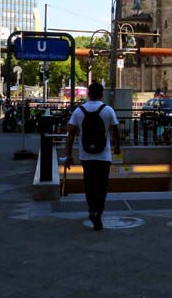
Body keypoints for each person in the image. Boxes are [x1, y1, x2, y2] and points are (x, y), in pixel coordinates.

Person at [65, 82, 120, 231]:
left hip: (86, 155)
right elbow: (115, 131)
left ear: (88, 94)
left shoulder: (78, 111)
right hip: (104, 156)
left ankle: (92, 210)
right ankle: (99, 213)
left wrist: (69, 155)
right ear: (102, 94)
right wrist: (117, 147)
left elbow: (70, 134)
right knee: (102, 186)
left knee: (89, 184)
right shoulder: (108, 110)